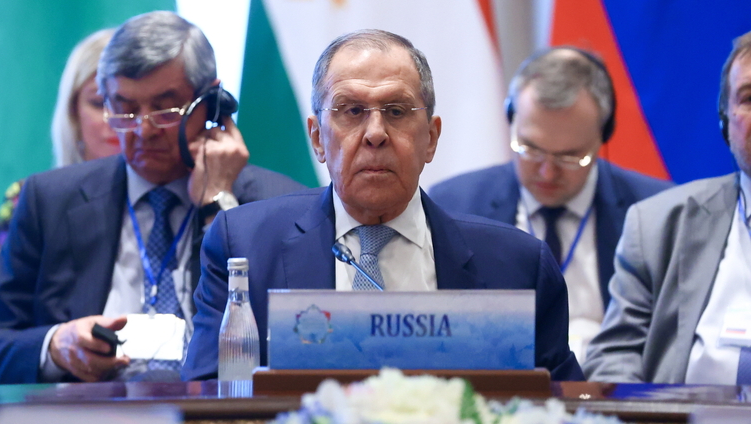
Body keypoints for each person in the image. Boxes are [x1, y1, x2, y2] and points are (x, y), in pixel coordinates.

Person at [182, 29, 583, 382]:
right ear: (318, 138)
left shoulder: (518, 267)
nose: (375, 133)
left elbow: (561, 410)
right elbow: (209, 398)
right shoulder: (245, 247)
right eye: (352, 111)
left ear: (431, 138)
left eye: (396, 111)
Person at [0, 11, 305, 385]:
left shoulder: (279, 204)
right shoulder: (49, 201)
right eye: (124, 109)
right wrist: (56, 345)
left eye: (164, 109)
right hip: (90, 417)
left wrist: (218, 205)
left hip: (219, 417)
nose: (143, 130)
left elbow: (296, 348)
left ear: (211, 102)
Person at [428, 47, 671, 362]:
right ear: (511, 120)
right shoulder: (453, 205)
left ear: (603, 136)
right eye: (531, 149)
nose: (547, 172)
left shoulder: (657, 212)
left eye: (570, 156)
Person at [584, 30, 751, 384]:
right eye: (749, 98)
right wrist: (646, 416)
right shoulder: (657, 226)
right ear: (725, 120)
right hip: (682, 419)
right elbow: (614, 356)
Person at [0, 28, 119, 338]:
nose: (116, 119)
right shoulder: (30, 200)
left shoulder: (180, 198)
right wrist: (54, 347)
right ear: (73, 113)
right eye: (100, 102)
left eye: (130, 104)